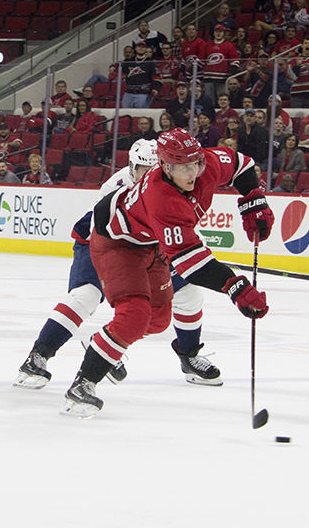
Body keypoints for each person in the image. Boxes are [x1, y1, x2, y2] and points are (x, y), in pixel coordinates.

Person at [55, 128, 271, 417]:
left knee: (157, 320)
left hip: (149, 241)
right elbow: (190, 264)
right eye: (182, 167)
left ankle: (103, 341)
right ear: (166, 167)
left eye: (194, 163)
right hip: (116, 243)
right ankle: (82, 386)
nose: (192, 172)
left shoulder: (204, 163)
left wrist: (253, 201)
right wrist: (235, 286)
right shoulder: (162, 197)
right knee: (134, 315)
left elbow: (241, 164)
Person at [15, 140, 225, 392]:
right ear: (131, 167)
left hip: (148, 251)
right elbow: (110, 241)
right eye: (141, 169)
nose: (146, 176)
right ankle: (38, 356)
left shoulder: (171, 185)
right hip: (102, 244)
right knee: (86, 297)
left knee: (189, 294)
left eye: (152, 169)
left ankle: (187, 355)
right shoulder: (115, 188)